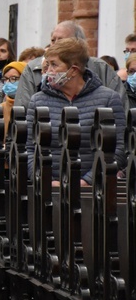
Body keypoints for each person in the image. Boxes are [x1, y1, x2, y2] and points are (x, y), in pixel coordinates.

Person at [26, 38, 126, 186]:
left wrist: (87, 181)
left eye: (54, 64)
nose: (48, 71)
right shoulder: (37, 101)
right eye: (47, 65)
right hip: (48, 190)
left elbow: (119, 148)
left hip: (94, 191)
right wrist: (45, 180)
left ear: (73, 70)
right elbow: (28, 149)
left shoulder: (108, 99)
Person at [14, 21, 126, 109]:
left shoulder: (101, 68)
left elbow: (119, 109)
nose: (55, 45)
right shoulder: (34, 69)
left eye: (62, 40)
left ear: (79, 43)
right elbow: (23, 111)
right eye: (53, 40)